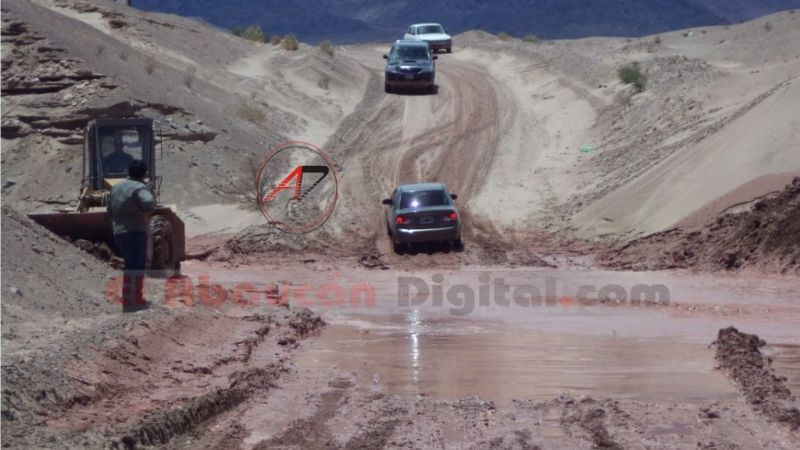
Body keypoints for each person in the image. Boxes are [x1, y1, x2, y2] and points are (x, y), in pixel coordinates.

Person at [108, 159, 155, 312]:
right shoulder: (139, 187)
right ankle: (134, 301)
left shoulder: (116, 187)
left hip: (118, 232)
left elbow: (109, 210)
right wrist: (145, 213)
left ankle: (129, 298)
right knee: (136, 266)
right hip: (135, 231)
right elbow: (148, 201)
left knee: (130, 265)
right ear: (144, 174)